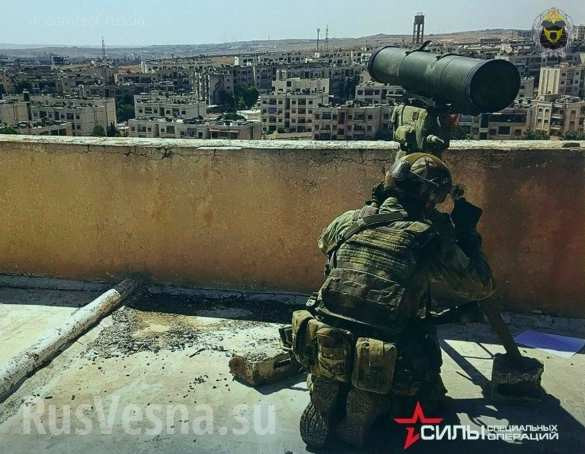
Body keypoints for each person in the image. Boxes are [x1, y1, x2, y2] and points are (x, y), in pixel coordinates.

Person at [292, 152, 496, 448]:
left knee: (336, 335)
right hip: (384, 352)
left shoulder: (351, 220)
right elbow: (481, 286)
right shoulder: (427, 238)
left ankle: (327, 384)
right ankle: (372, 399)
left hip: (329, 339)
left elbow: (324, 243)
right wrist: (467, 236)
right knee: (430, 400)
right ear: (430, 200)